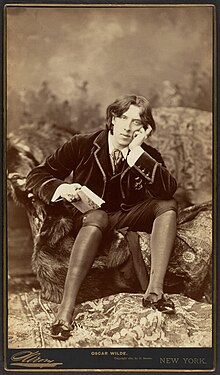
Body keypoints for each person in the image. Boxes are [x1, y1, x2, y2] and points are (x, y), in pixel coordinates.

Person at [25, 94, 177, 341]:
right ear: (113, 119)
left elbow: (167, 191)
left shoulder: (147, 155)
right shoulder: (82, 144)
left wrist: (138, 154)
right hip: (86, 218)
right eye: (124, 118)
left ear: (145, 129)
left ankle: (155, 292)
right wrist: (62, 189)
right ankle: (65, 310)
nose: (128, 127)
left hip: (123, 218)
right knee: (97, 216)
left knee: (167, 204)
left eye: (137, 122)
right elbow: (38, 175)